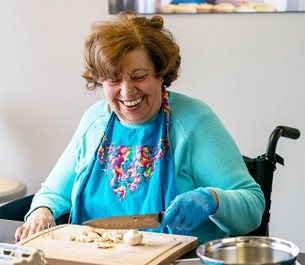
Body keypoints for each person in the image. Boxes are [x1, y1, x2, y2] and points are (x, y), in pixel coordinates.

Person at [15, 11, 265, 244]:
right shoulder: (95, 122)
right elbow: (52, 193)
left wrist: (213, 200)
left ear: (160, 73)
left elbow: (252, 208)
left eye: (139, 76)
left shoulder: (193, 121)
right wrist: (41, 212)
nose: (127, 91)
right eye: (113, 79)